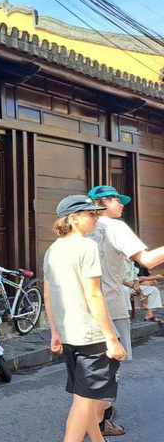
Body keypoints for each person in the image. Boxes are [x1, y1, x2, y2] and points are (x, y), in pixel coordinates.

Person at [43, 194, 127, 442]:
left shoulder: (53, 249)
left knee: (85, 397)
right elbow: (94, 295)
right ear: (74, 218)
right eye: (91, 214)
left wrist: (55, 332)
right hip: (91, 336)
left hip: (69, 334)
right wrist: (111, 338)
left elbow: (49, 296)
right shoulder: (86, 246)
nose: (96, 218)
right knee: (83, 401)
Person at [86, 185, 164, 435]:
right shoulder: (115, 226)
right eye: (117, 200)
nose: (122, 205)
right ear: (103, 203)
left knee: (93, 365)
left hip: (84, 306)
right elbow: (148, 260)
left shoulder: (82, 229)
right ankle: (98, 423)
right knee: (109, 367)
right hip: (109, 303)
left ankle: (103, 411)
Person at [122, 258, 163, 323]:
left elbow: (136, 278)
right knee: (125, 290)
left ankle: (149, 314)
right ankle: (126, 317)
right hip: (123, 286)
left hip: (133, 287)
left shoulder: (132, 262)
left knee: (154, 290)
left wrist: (138, 289)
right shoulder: (121, 261)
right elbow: (119, 279)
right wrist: (133, 286)